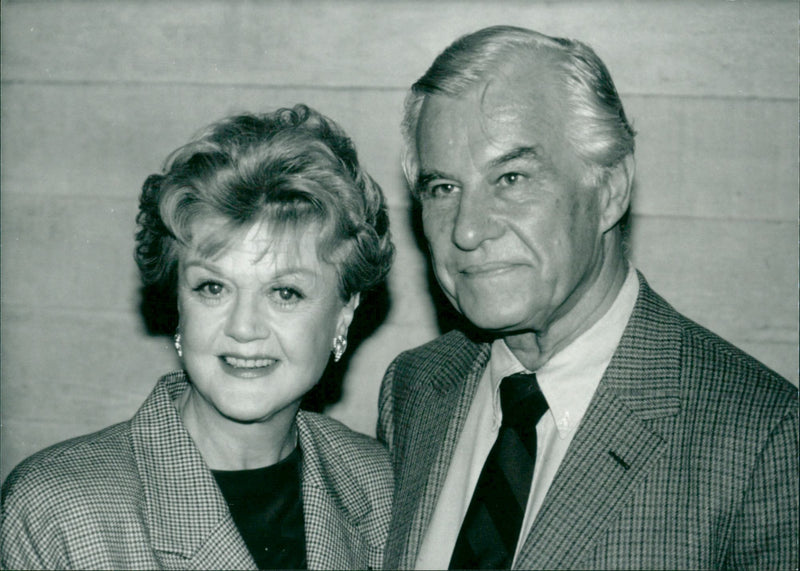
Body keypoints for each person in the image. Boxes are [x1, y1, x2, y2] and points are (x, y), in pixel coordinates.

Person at [378, 25, 798, 570]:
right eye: (443, 188)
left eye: (511, 177)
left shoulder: (761, 440)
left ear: (610, 189)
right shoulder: (415, 389)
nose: (467, 230)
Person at [1, 104, 395, 570]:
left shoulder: (377, 482)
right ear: (178, 305)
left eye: (285, 292)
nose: (244, 328)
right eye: (213, 287)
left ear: (344, 314)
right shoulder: (56, 509)